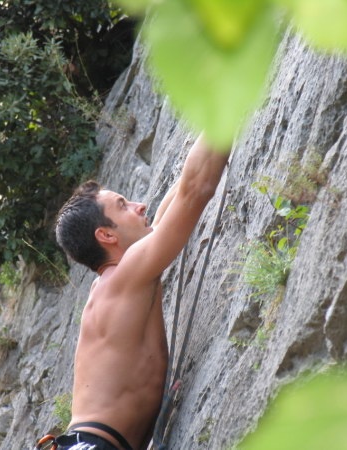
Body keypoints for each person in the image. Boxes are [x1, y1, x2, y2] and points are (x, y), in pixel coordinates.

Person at [52, 134, 229, 450]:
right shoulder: (123, 280)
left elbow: (170, 210)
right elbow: (196, 190)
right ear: (106, 235)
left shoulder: (119, 282)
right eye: (123, 206)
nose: (140, 206)